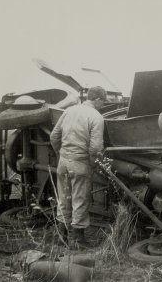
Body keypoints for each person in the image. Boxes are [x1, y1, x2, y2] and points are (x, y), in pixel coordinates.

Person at [50, 86, 107, 249]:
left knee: (64, 198)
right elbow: (95, 148)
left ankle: (61, 237)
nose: (103, 105)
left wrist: (61, 154)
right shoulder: (96, 117)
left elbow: (54, 136)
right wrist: (91, 163)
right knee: (79, 199)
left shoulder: (69, 111)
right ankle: (78, 241)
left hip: (63, 161)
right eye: (103, 101)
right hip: (80, 163)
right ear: (97, 100)